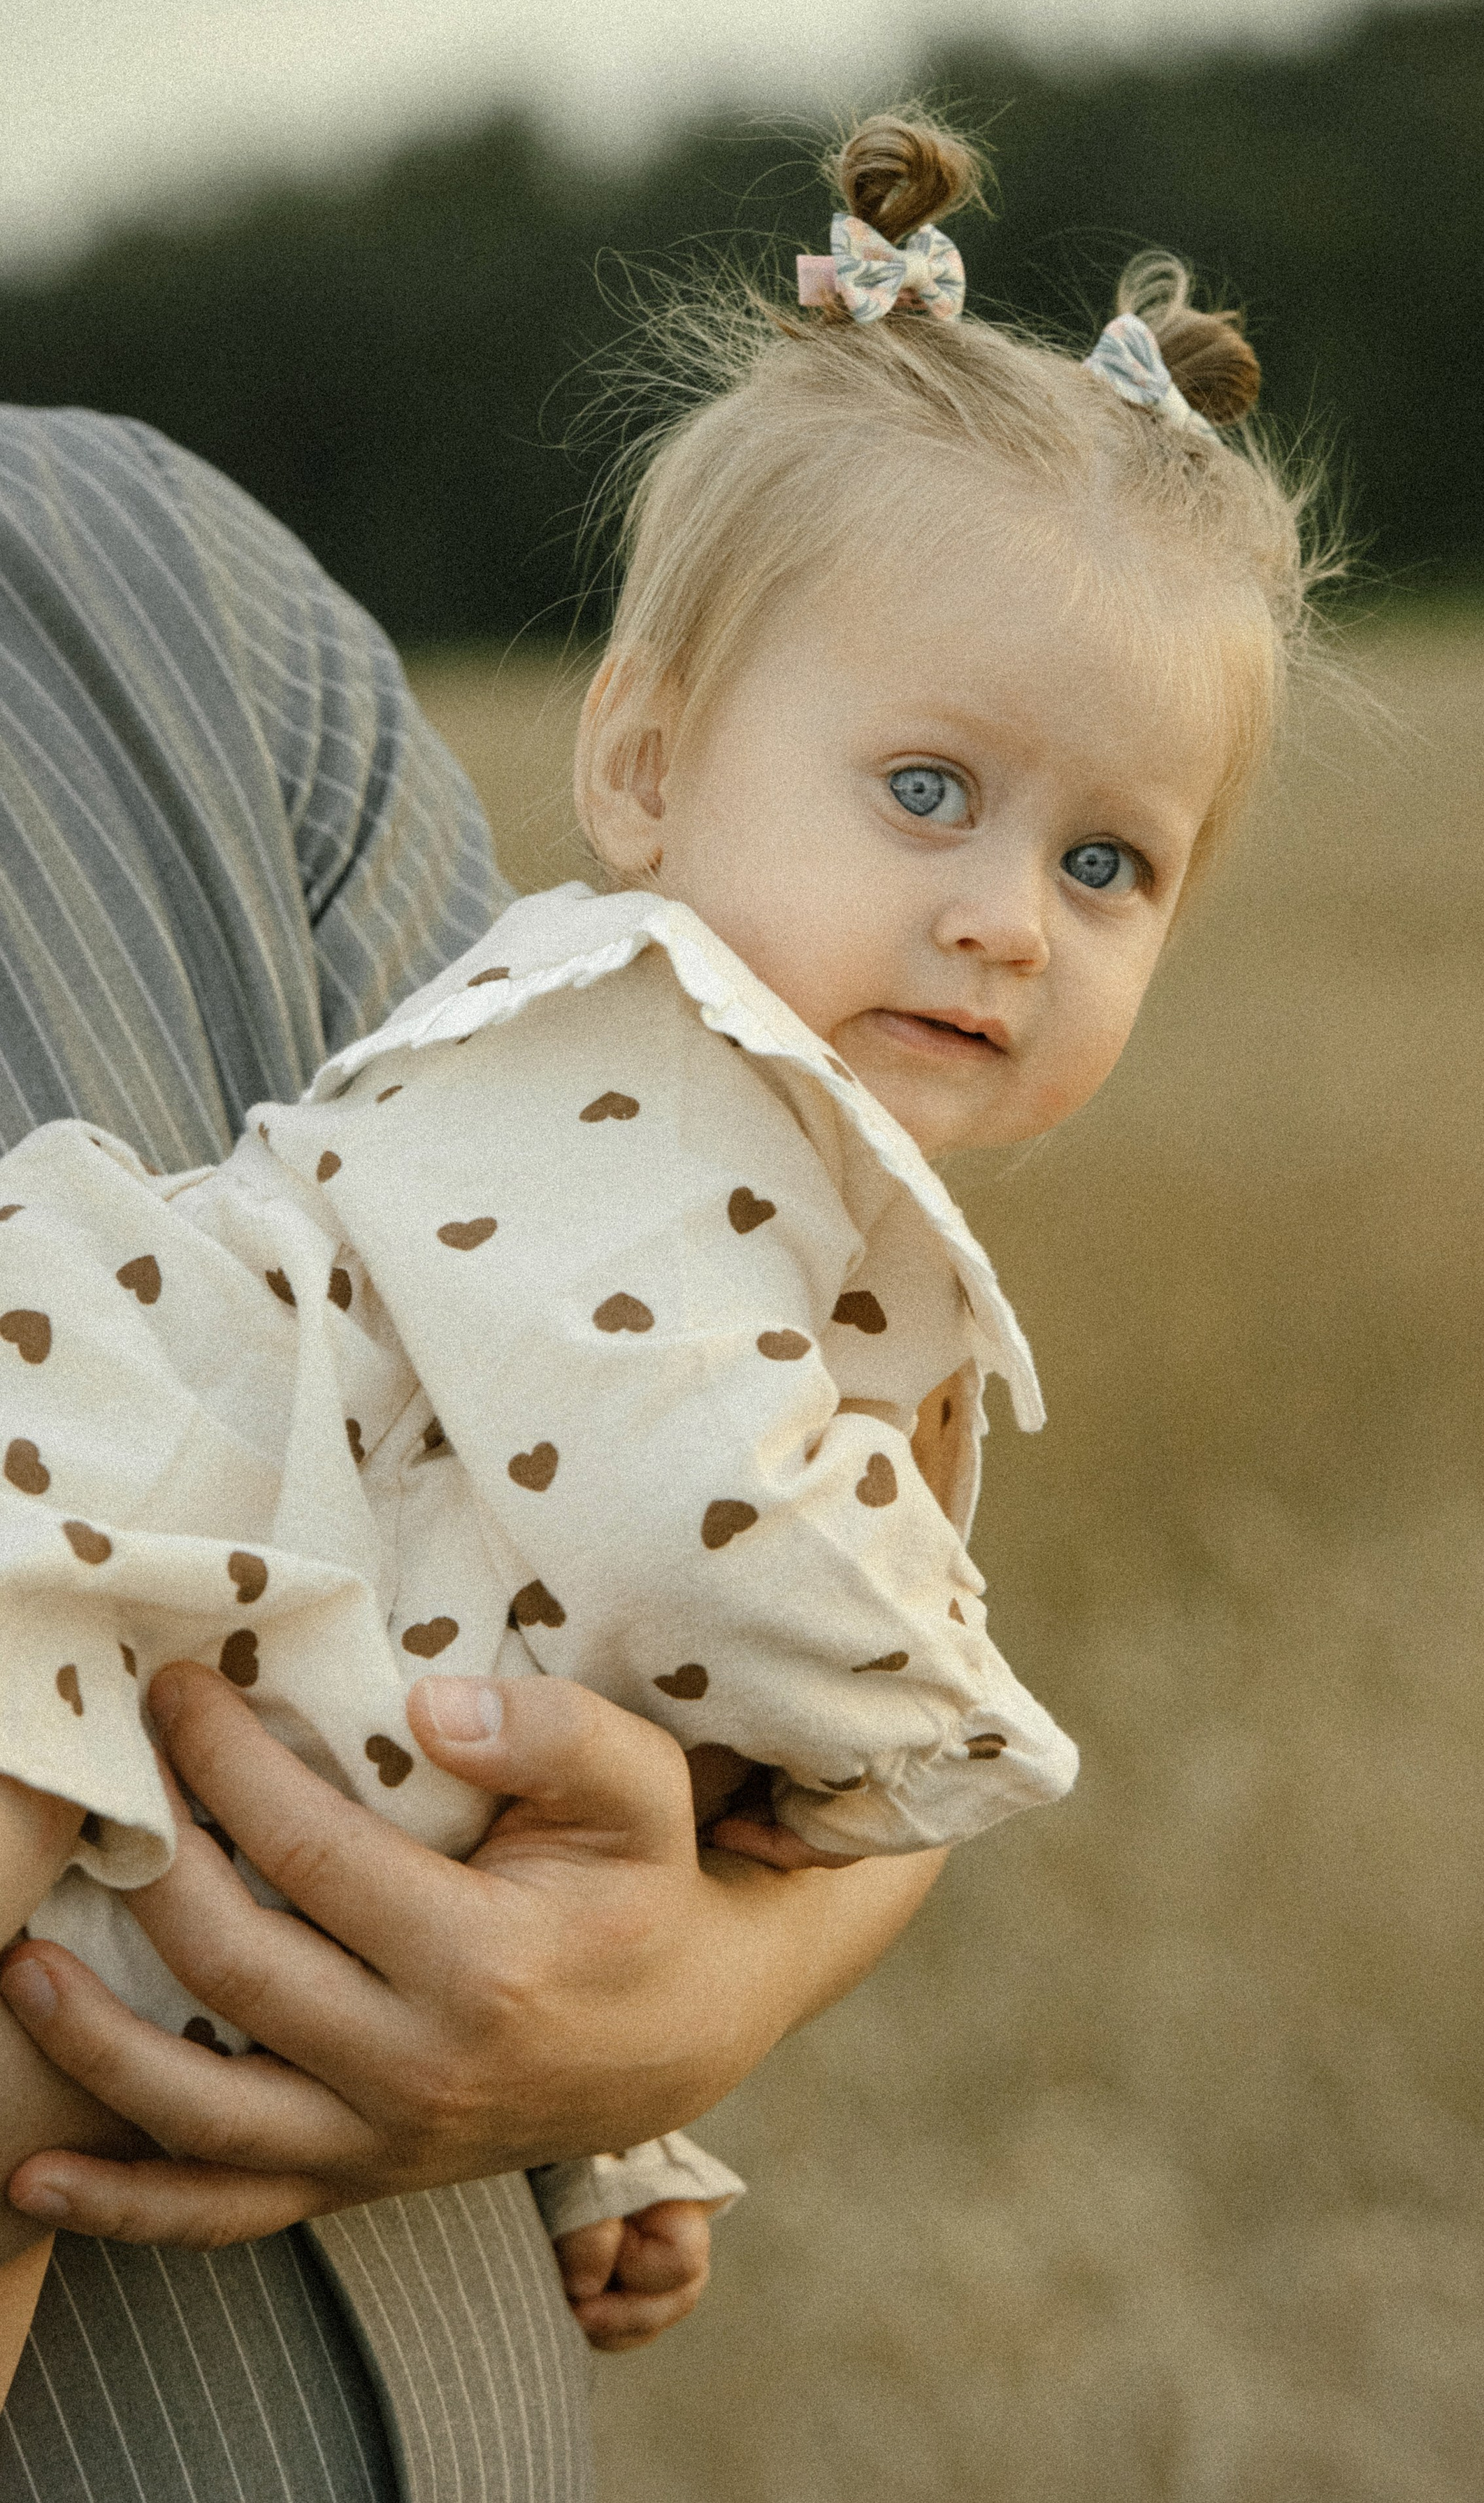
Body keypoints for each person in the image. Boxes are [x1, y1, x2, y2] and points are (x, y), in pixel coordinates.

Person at [0, 392, 946, 2503]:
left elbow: (613, 1556)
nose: (1004, 921)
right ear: (642, 759)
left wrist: (675, 2021)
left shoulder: (159, 579)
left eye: (1110, 863)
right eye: (933, 801)